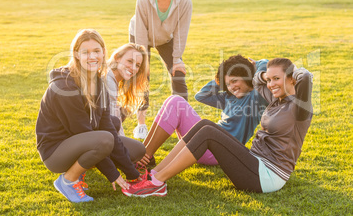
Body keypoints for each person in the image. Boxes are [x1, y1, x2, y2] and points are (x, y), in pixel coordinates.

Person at [121, 58, 314, 197]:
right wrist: (266, 75)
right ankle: (153, 176)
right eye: (269, 80)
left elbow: (306, 76)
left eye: (276, 79)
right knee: (204, 124)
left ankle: (156, 183)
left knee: (208, 132)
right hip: (255, 162)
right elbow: (256, 80)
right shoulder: (276, 98)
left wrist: (293, 72)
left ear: (291, 79)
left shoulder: (301, 108)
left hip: (267, 176)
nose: (271, 84)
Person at [36, 29, 141, 203]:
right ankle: (68, 180)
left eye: (96, 51)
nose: (92, 57)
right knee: (104, 140)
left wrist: (133, 175)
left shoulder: (99, 81)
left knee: (135, 148)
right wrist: (113, 174)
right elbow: (83, 132)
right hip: (55, 152)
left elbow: (107, 125)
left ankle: (82, 168)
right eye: (86, 52)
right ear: (77, 55)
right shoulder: (65, 87)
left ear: (103, 53)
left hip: (80, 140)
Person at [136, 55, 268, 167]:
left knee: (176, 102)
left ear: (247, 77)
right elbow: (201, 95)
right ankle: (143, 153)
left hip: (219, 152)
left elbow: (266, 64)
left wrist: (255, 64)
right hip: (205, 142)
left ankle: (144, 156)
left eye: (234, 81)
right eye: (228, 84)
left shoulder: (256, 98)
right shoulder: (228, 98)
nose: (232, 87)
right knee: (173, 100)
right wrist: (220, 80)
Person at [129, 0, 192, 139]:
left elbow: (182, 31)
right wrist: (142, 62)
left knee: (178, 73)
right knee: (141, 76)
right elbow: (141, 30)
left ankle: (183, 125)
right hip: (139, 35)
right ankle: (141, 124)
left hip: (165, 38)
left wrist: (177, 58)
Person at [106, 43, 149, 161]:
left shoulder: (114, 78)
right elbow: (114, 122)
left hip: (101, 130)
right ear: (117, 58)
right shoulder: (108, 80)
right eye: (130, 61)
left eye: (137, 65)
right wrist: (127, 149)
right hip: (92, 135)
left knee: (122, 111)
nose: (134, 68)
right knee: (139, 151)